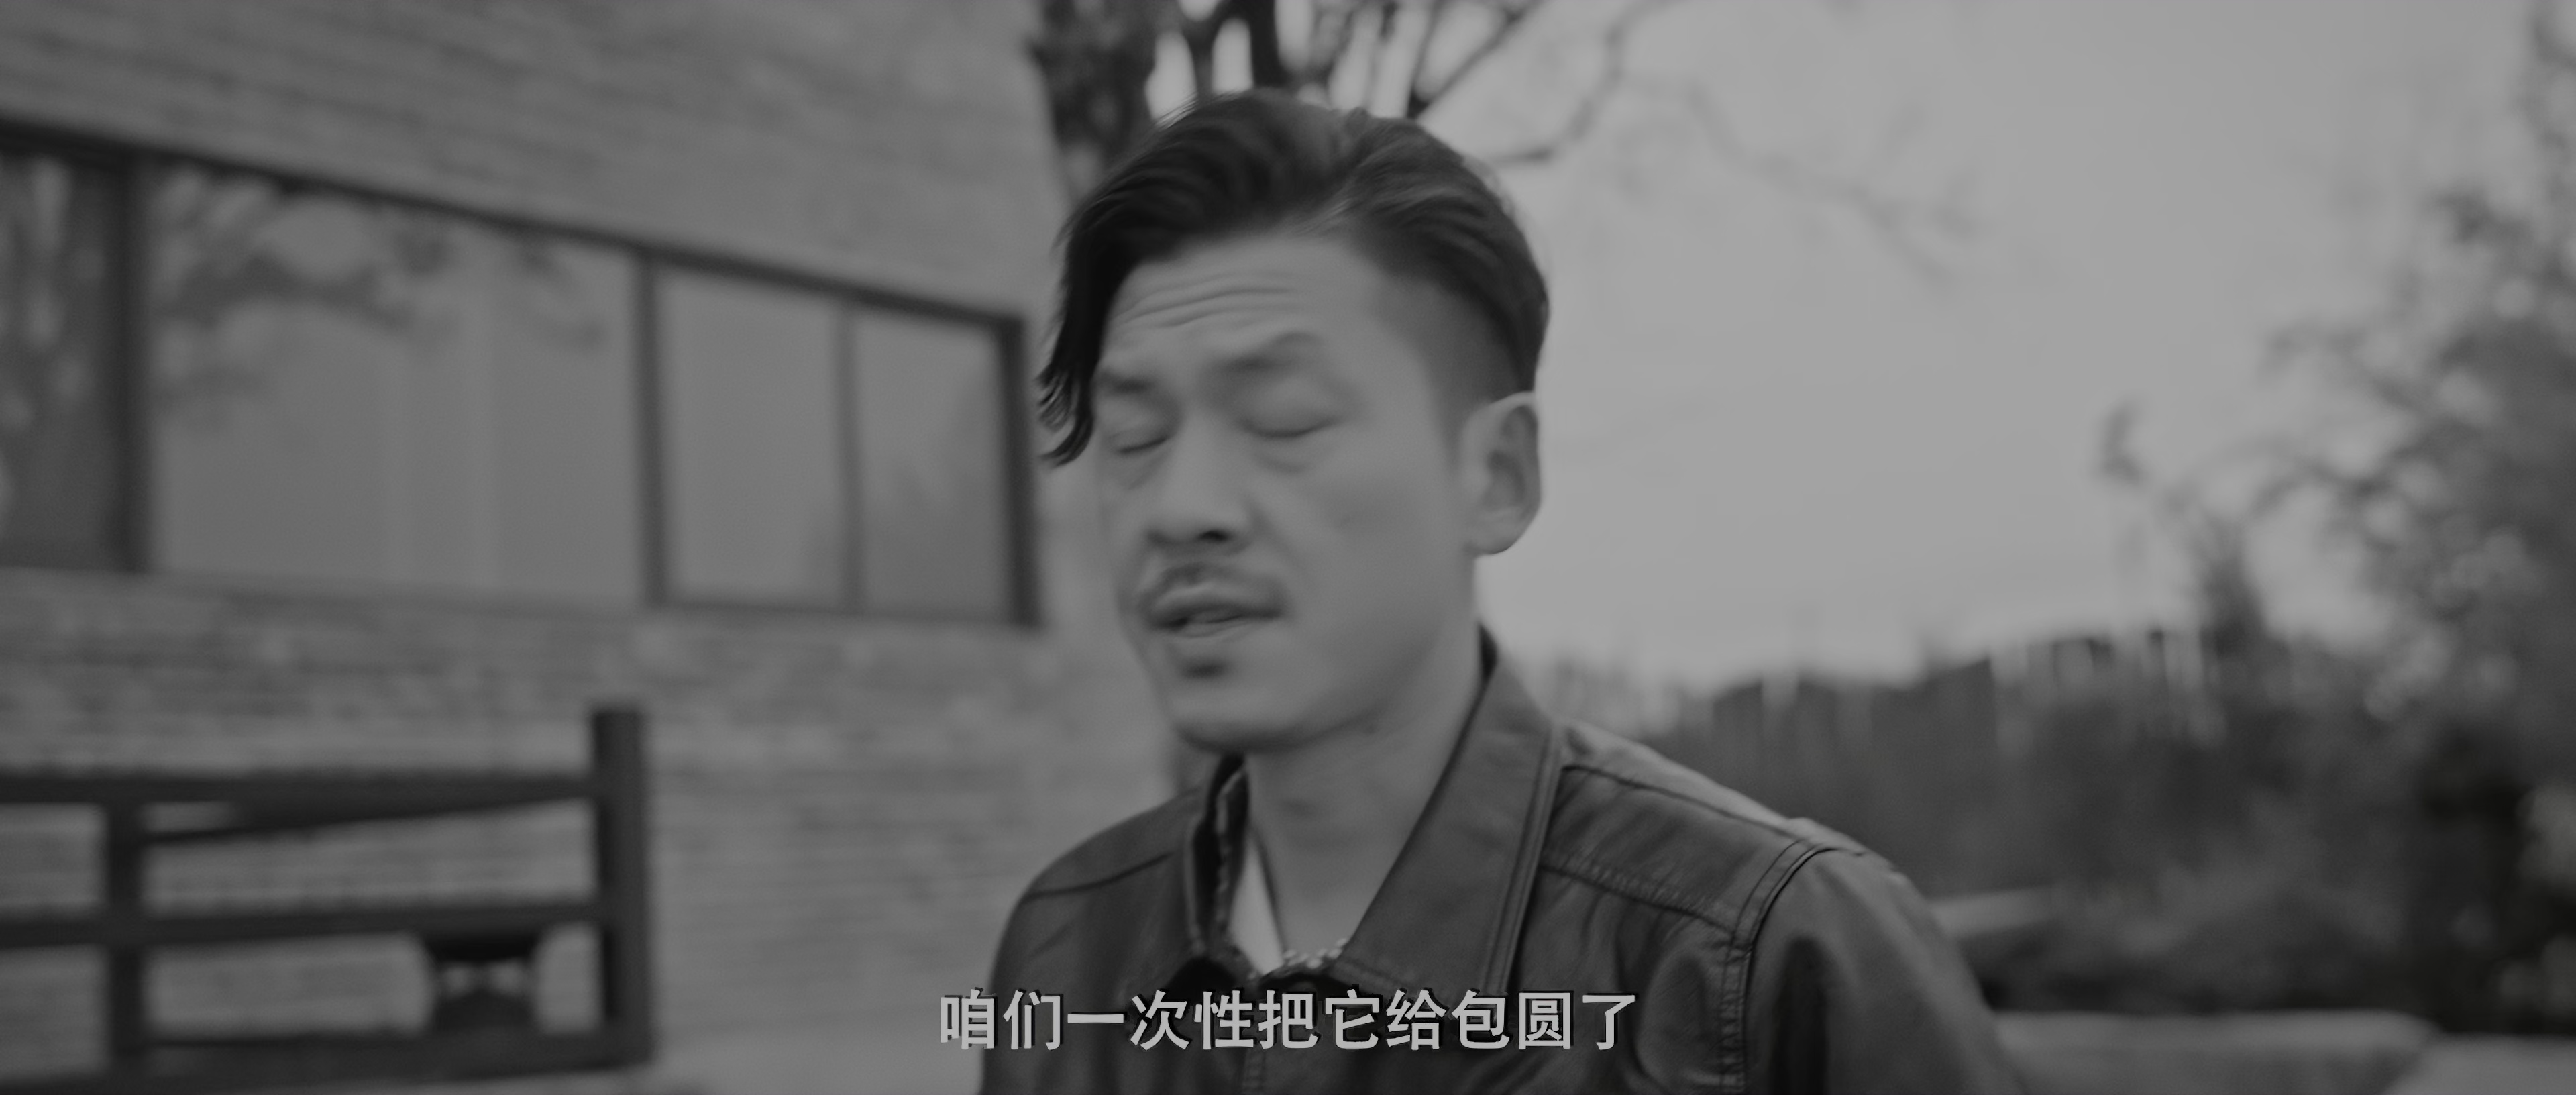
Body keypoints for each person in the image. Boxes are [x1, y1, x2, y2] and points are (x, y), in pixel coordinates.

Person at [980, 89, 2021, 1094]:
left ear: (1496, 476)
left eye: (1284, 419)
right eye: (1137, 436)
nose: (1182, 506)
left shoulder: (1759, 957)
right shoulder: (1069, 949)